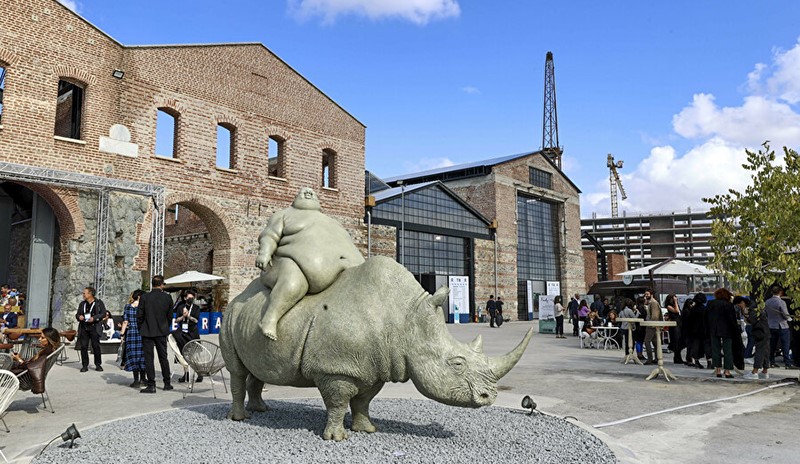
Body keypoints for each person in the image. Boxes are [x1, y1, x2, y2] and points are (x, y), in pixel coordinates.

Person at [255, 188, 365, 340]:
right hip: (287, 262)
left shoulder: (331, 221)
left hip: (335, 269)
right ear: (295, 198)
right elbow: (270, 236)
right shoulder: (283, 215)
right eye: (304, 192)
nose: (308, 192)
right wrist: (264, 253)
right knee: (293, 283)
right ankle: (269, 319)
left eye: (312, 193)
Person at [138, 275, 175, 393]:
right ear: (162, 284)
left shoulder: (145, 297)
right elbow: (170, 316)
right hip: (161, 330)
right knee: (163, 358)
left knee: (149, 359)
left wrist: (141, 327)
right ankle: (167, 383)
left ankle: (151, 384)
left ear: (152, 284)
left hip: (147, 330)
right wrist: (165, 326)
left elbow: (139, 315)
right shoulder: (167, 297)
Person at [706, 288, 739, 378]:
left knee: (715, 349)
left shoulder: (710, 303)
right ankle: (727, 371)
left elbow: (706, 316)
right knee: (727, 350)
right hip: (727, 330)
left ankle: (718, 370)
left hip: (713, 329)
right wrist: (736, 330)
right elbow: (732, 319)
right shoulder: (728, 305)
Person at [172, 288, 202, 383]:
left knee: (194, 354)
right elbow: (176, 320)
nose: (191, 299)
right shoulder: (181, 307)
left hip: (192, 331)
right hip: (183, 331)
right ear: (185, 298)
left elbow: (196, 320)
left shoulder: (196, 308)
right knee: (183, 353)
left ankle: (199, 373)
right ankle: (186, 373)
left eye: (192, 298)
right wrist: (183, 316)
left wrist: (188, 316)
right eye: (189, 298)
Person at [120, 289, 146, 388]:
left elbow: (125, 321)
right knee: (142, 356)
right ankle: (143, 379)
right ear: (140, 297)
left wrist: (122, 334)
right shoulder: (144, 307)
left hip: (131, 333)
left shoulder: (127, 307)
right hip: (142, 332)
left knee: (133, 356)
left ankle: (136, 380)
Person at [76, 286, 106, 373]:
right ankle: (85, 365)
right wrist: (79, 317)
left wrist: (94, 318)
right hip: (84, 327)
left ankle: (98, 364)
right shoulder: (82, 304)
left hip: (94, 327)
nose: (83, 295)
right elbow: (77, 314)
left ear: (90, 294)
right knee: (83, 347)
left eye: (84, 293)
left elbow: (103, 313)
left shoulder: (98, 303)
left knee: (95, 346)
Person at [765, 285, 796, 369]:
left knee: (772, 345)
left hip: (771, 325)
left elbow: (766, 313)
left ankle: (771, 362)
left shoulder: (767, 302)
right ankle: (787, 364)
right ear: (780, 292)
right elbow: (785, 315)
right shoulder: (781, 302)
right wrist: (791, 319)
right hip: (782, 326)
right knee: (785, 345)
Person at [743, 300, 771, 380]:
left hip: (760, 332)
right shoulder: (762, 310)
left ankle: (754, 372)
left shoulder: (753, 310)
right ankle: (765, 371)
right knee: (765, 352)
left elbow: (752, 320)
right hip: (766, 332)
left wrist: (746, 316)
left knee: (760, 351)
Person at [642, 289, 663, 365]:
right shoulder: (651, 303)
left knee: (647, 341)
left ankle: (650, 359)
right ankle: (657, 358)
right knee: (655, 342)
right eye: (645, 294)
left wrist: (651, 324)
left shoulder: (653, 303)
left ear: (651, 295)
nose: (646, 296)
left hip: (652, 325)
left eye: (647, 294)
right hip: (653, 325)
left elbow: (655, 316)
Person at [663, 294, 683, 364]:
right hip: (674, 325)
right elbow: (676, 311)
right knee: (676, 340)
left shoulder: (675, 305)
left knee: (679, 341)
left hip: (679, 323)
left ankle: (678, 357)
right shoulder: (669, 306)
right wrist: (675, 302)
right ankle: (677, 357)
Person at [681, 298, 696, 366]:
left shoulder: (685, 311)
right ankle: (689, 359)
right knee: (690, 346)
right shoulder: (687, 312)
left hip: (686, 330)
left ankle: (689, 359)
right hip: (689, 331)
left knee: (689, 346)